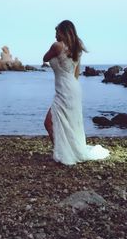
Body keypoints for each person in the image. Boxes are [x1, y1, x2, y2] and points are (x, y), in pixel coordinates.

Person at [43, 20, 110, 165]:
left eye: (56, 31)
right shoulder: (77, 49)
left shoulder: (57, 46)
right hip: (73, 87)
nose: (55, 35)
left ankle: (61, 153)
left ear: (62, 32)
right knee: (69, 122)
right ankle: (63, 151)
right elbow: (76, 72)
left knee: (49, 122)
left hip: (64, 89)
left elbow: (45, 58)